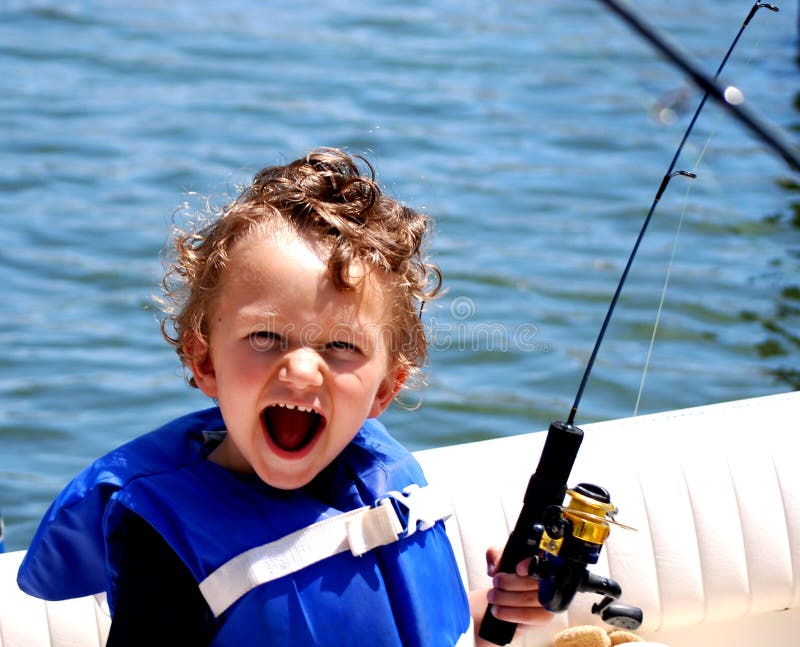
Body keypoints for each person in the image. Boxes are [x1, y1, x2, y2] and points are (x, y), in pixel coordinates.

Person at [18, 148, 550, 645]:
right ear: (205, 361)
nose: (299, 372)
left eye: (342, 345)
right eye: (265, 338)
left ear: (387, 386)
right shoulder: (165, 541)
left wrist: (497, 609)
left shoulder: (388, 481)